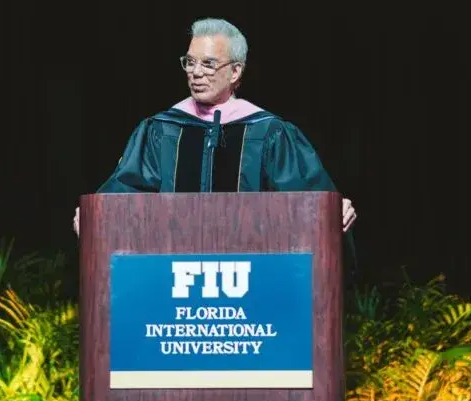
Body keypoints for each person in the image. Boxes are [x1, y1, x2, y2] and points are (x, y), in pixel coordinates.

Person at [73, 17, 359, 271]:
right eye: (190, 62)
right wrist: (94, 214)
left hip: (251, 279)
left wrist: (334, 210)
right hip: (170, 280)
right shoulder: (161, 130)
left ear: (235, 72)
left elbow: (307, 201)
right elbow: (125, 191)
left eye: (208, 64)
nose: (196, 73)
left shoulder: (269, 132)